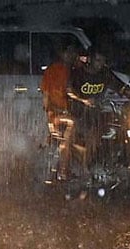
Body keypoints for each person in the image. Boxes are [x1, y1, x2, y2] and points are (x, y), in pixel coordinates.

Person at [66, 48, 121, 172]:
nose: (100, 63)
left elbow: (119, 86)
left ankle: (111, 162)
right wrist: (83, 100)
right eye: (98, 60)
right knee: (93, 135)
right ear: (89, 59)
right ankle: (86, 167)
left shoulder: (105, 74)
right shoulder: (78, 74)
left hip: (96, 112)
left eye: (103, 61)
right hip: (78, 112)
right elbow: (69, 91)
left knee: (116, 126)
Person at [40, 44, 80, 180]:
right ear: (62, 53)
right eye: (68, 52)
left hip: (67, 111)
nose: (70, 56)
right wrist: (50, 113)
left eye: (72, 53)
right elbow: (46, 95)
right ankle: (63, 171)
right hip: (59, 113)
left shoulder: (74, 70)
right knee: (69, 134)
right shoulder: (54, 70)